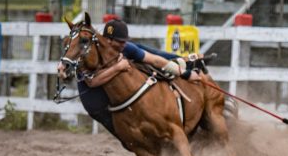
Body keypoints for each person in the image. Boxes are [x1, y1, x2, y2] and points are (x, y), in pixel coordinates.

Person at [61, 19, 201, 139]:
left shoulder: (123, 48)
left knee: (140, 50)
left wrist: (185, 73)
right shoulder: (90, 54)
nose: (122, 44)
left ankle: (184, 60)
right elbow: (92, 82)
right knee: (129, 139)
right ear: (107, 40)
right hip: (98, 104)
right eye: (118, 41)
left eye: (123, 41)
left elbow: (155, 60)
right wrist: (118, 67)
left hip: (117, 100)